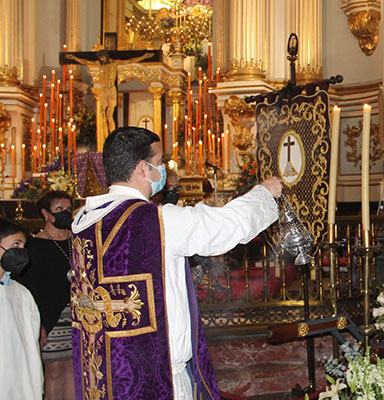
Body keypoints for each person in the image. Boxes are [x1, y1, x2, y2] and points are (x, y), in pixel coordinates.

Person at [71, 126, 283, 400]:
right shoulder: (155, 220)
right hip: (157, 377)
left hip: (106, 372)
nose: (163, 171)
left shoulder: (84, 218)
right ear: (142, 168)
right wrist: (263, 193)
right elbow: (223, 227)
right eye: (159, 163)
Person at [16, 190, 75, 400]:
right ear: (46, 213)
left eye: (68, 209)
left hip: (78, 314)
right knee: (55, 371)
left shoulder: (78, 241)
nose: (65, 214)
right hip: (50, 316)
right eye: (59, 209)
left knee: (74, 369)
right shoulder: (35, 246)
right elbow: (29, 288)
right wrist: (36, 322)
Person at [0, 218, 43, 399]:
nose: (21, 252)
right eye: (15, 244)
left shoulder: (21, 293)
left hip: (21, 379)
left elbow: (31, 342)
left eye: (23, 246)